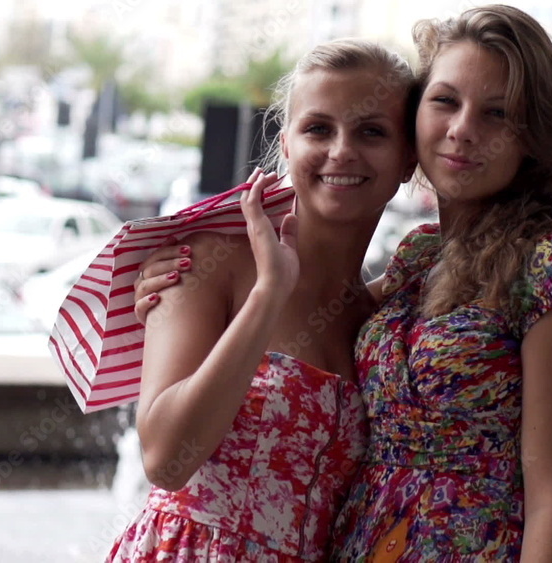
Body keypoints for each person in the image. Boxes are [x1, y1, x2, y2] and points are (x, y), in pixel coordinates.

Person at [135, 5, 552, 560]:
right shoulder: (415, 265)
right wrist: (196, 289)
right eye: (446, 101)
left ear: (534, 135)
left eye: (498, 112)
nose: (463, 130)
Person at [107, 39, 419, 561]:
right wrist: (268, 293)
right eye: (318, 128)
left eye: (371, 131)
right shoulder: (207, 262)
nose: (342, 150)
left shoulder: (379, 321)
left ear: (408, 159)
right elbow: (165, 460)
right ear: (287, 144)